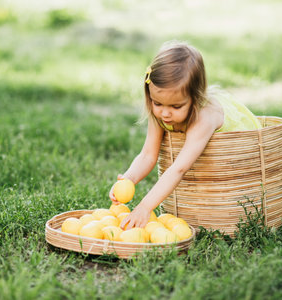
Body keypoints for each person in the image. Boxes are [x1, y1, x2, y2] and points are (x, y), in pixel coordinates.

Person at [109, 41, 262, 230]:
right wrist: (129, 179)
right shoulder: (160, 110)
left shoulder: (204, 117)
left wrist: (145, 207)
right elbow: (148, 155)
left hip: (239, 150)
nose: (165, 113)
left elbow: (178, 168)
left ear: (195, 98)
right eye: (157, 103)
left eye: (176, 106)